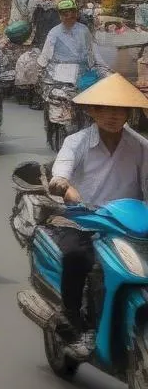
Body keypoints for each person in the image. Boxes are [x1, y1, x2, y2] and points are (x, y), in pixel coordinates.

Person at [47, 74, 148, 357]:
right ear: (92, 110)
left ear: (129, 113)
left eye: (120, 109)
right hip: (84, 219)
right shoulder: (76, 142)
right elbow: (62, 171)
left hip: (129, 225)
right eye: (105, 108)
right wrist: (62, 184)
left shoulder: (140, 146)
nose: (113, 115)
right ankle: (74, 320)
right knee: (79, 258)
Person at [38, 0, 103, 75]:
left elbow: (91, 51)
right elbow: (45, 55)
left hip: (81, 71)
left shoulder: (84, 30)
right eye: (65, 14)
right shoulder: (54, 33)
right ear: (60, 16)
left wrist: (94, 68)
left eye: (72, 14)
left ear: (75, 14)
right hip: (61, 71)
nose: (69, 17)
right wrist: (41, 69)